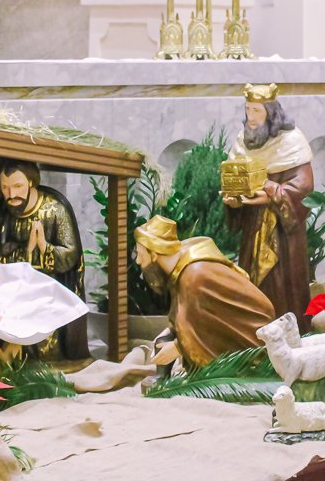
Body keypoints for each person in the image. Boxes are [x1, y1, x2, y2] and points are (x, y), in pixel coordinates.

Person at [222, 84, 314, 331]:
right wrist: (234, 203)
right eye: (248, 110)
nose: (251, 117)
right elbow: (237, 182)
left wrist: (271, 192)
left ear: (271, 113)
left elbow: (304, 187)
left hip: (282, 236)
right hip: (252, 230)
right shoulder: (243, 141)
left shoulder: (291, 141)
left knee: (282, 286)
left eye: (257, 111)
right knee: (252, 280)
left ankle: (288, 333)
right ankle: (254, 335)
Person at [134, 214, 274, 368]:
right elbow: (195, 315)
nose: (138, 261)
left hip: (251, 338)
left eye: (141, 255)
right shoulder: (179, 268)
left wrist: (177, 348)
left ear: (154, 255)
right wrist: (172, 331)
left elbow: (213, 324)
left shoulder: (195, 277)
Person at [0, 160, 87, 359]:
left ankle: (43, 360)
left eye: (18, 186)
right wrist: (26, 251)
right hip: (10, 285)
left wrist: (44, 247)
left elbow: (71, 255)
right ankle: (7, 359)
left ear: (31, 182)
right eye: (5, 188)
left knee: (40, 318)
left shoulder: (55, 210)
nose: (11, 194)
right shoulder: (0, 213)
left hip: (47, 285)